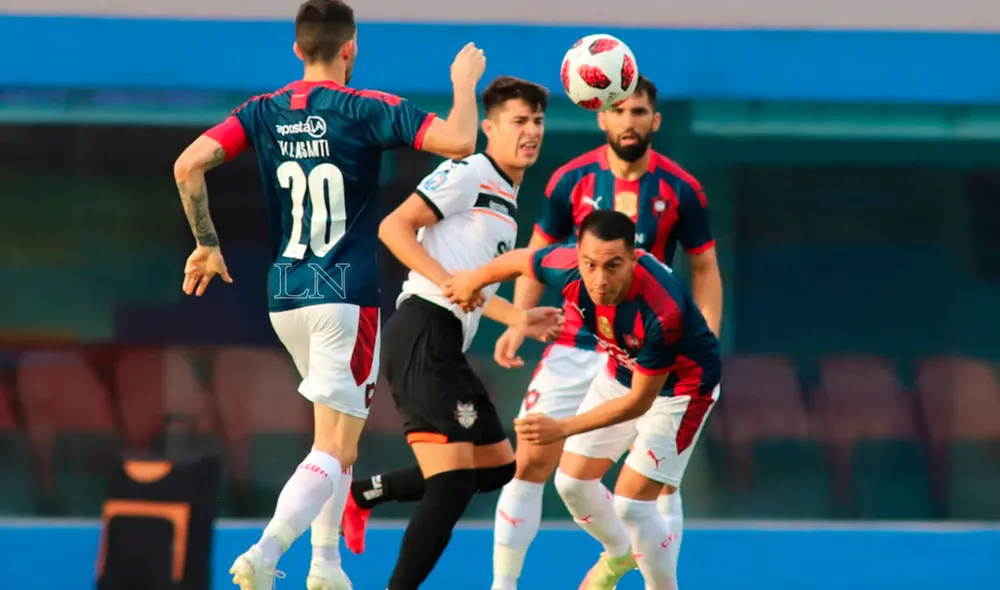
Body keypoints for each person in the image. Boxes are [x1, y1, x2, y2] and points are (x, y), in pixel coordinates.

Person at [171, 0, 487, 587]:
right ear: (351, 47)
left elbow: (187, 166)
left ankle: (325, 566)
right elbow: (462, 139)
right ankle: (265, 556)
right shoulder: (367, 108)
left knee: (333, 439)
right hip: (345, 298)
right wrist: (463, 84)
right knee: (333, 446)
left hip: (286, 296)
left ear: (297, 49)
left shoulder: (262, 111)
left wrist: (207, 244)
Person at [488, 75, 723, 589]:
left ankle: (655, 579)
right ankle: (510, 584)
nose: (629, 121)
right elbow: (536, 251)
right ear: (601, 114)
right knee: (534, 460)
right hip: (580, 339)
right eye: (620, 111)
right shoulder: (570, 180)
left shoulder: (681, 188)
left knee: (648, 492)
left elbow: (704, 268)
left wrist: (706, 337)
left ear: (655, 121)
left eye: (640, 112)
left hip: (655, 348)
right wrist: (519, 319)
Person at [351, 76, 557, 589]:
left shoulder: (506, 200)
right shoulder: (471, 171)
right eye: (518, 121)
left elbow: (470, 282)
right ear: (489, 128)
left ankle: (360, 496)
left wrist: (515, 317)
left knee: (495, 468)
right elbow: (393, 228)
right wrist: (447, 282)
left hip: (445, 339)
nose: (530, 131)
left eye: (537, 121)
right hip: (422, 331)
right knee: (451, 483)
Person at [444, 210, 722, 590]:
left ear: (633, 258)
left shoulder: (662, 310)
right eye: (590, 265)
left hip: (682, 390)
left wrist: (561, 428)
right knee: (572, 484)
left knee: (632, 504)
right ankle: (619, 555)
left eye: (613, 266)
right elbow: (520, 259)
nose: (599, 280)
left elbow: (640, 402)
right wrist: (472, 279)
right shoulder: (568, 267)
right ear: (578, 257)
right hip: (620, 372)